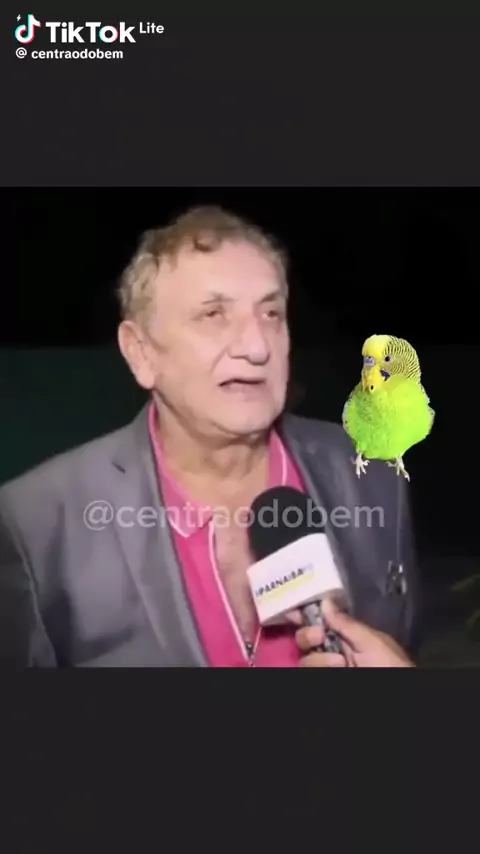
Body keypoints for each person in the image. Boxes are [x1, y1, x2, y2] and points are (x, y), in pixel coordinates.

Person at [0, 206, 419, 667]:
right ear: (141, 353)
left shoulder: (371, 470)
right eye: (214, 314)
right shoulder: (34, 523)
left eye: (271, 313)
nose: (257, 347)